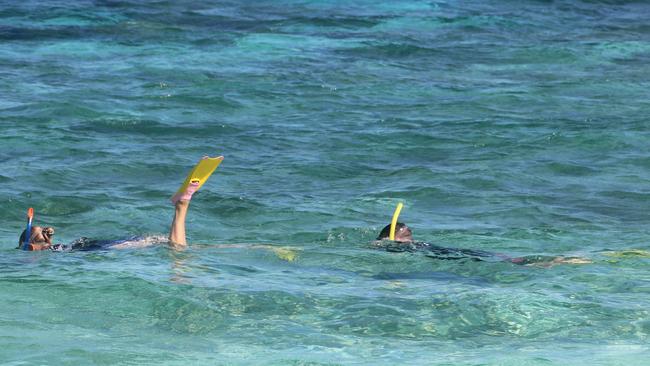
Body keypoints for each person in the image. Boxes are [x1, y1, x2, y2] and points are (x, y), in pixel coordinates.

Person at [17, 172, 203, 252]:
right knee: (170, 244)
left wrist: (28, 249)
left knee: (175, 247)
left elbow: (35, 250)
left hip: (101, 247)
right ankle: (182, 208)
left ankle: (182, 206)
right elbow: (36, 248)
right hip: (99, 246)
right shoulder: (52, 249)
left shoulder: (50, 251)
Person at [375, 222, 591, 266]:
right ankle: (558, 260)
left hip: (452, 253)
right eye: (404, 233)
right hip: (448, 253)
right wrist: (384, 243)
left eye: (409, 233)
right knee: (507, 260)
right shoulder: (393, 245)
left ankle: (557, 261)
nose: (409, 235)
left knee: (503, 260)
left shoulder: (409, 245)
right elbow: (375, 246)